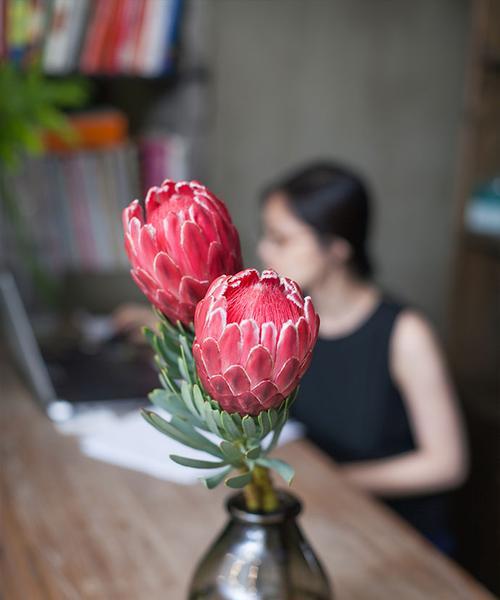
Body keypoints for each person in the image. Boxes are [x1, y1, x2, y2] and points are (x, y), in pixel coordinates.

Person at [257, 160, 468, 553]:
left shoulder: (405, 334)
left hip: (396, 537)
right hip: (323, 519)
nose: (264, 249)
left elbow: (447, 464)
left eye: (281, 239)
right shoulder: (292, 320)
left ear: (336, 248)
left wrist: (333, 481)